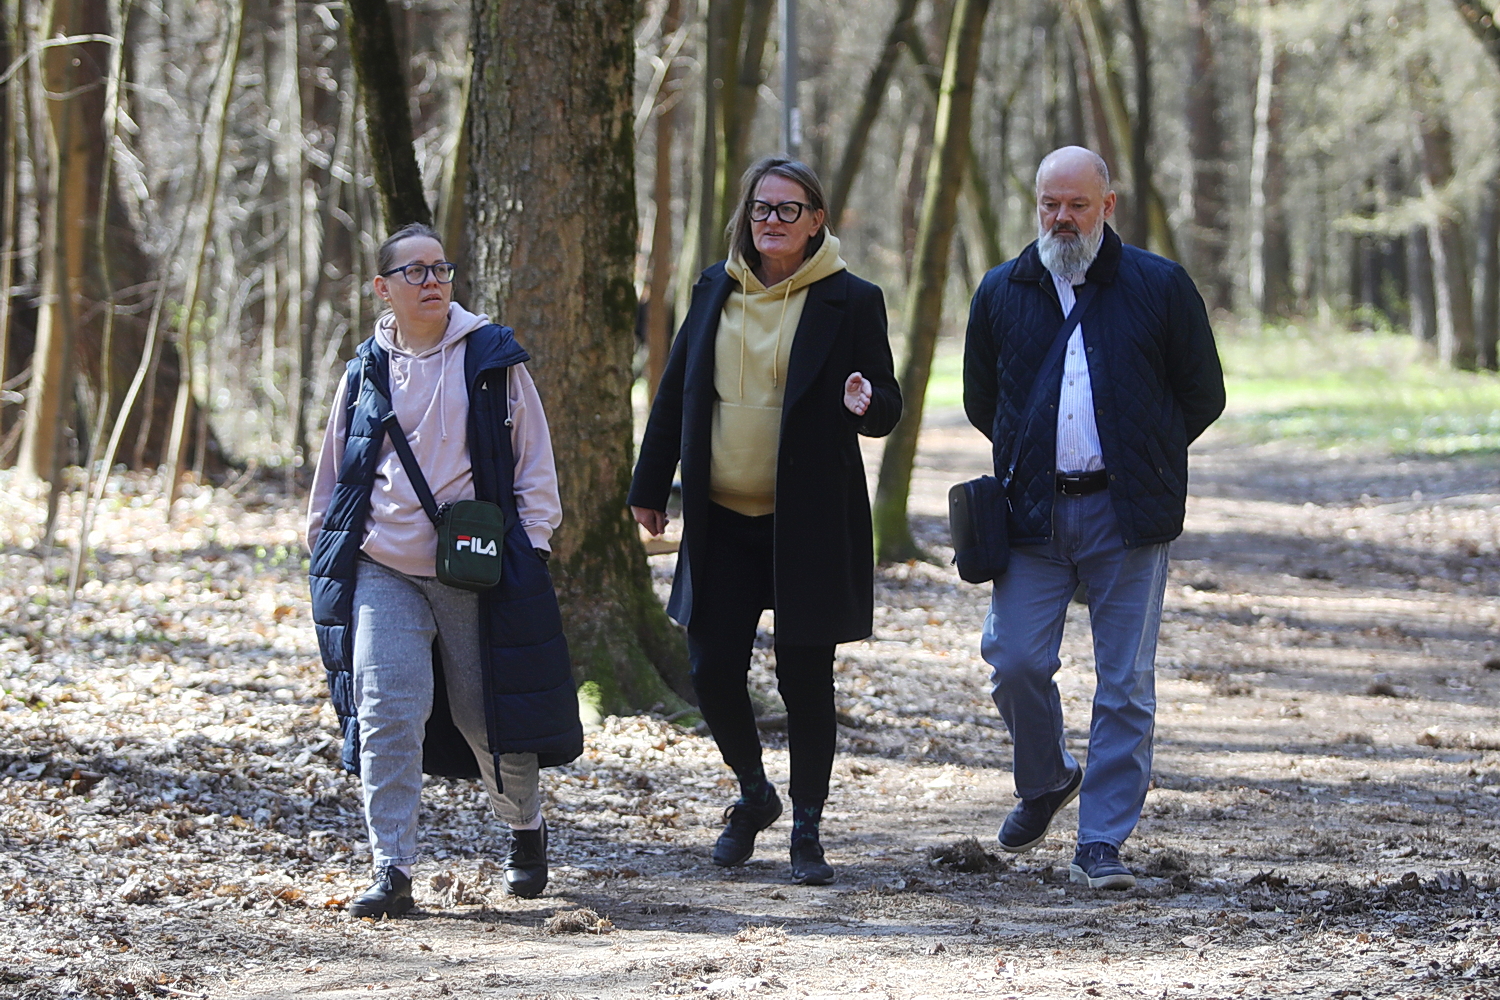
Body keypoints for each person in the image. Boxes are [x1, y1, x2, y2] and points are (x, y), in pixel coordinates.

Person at [629, 157, 901, 886]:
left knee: (804, 678)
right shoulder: (713, 288)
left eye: (787, 209)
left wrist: (864, 401)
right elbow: (676, 392)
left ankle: (807, 829)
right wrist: (649, 485)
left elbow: (886, 404)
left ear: (817, 220)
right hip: (720, 519)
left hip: (807, 523)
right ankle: (754, 792)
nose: (771, 220)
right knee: (710, 667)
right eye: (760, 208)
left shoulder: (852, 299)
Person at [962, 146, 1224, 889]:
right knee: (1014, 661)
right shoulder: (1001, 290)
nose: (1062, 218)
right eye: (1050, 204)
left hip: (1127, 513)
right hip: (1032, 516)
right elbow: (985, 401)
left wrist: (1144, 459)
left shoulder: (1160, 285)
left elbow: (1202, 394)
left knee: (1125, 684)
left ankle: (1101, 842)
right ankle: (1047, 778)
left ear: (1107, 206)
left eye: (1077, 205)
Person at [306, 222, 582, 918]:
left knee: (486, 714)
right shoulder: (365, 370)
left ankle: (524, 827)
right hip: (382, 567)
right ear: (384, 288)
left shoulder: (491, 356)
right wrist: (323, 544)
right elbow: (336, 469)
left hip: (473, 569)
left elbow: (533, 460)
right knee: (386, 710)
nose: (432, 281)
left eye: (441, 269)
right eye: (415, 271)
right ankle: (392, 867)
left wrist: (532, 545)